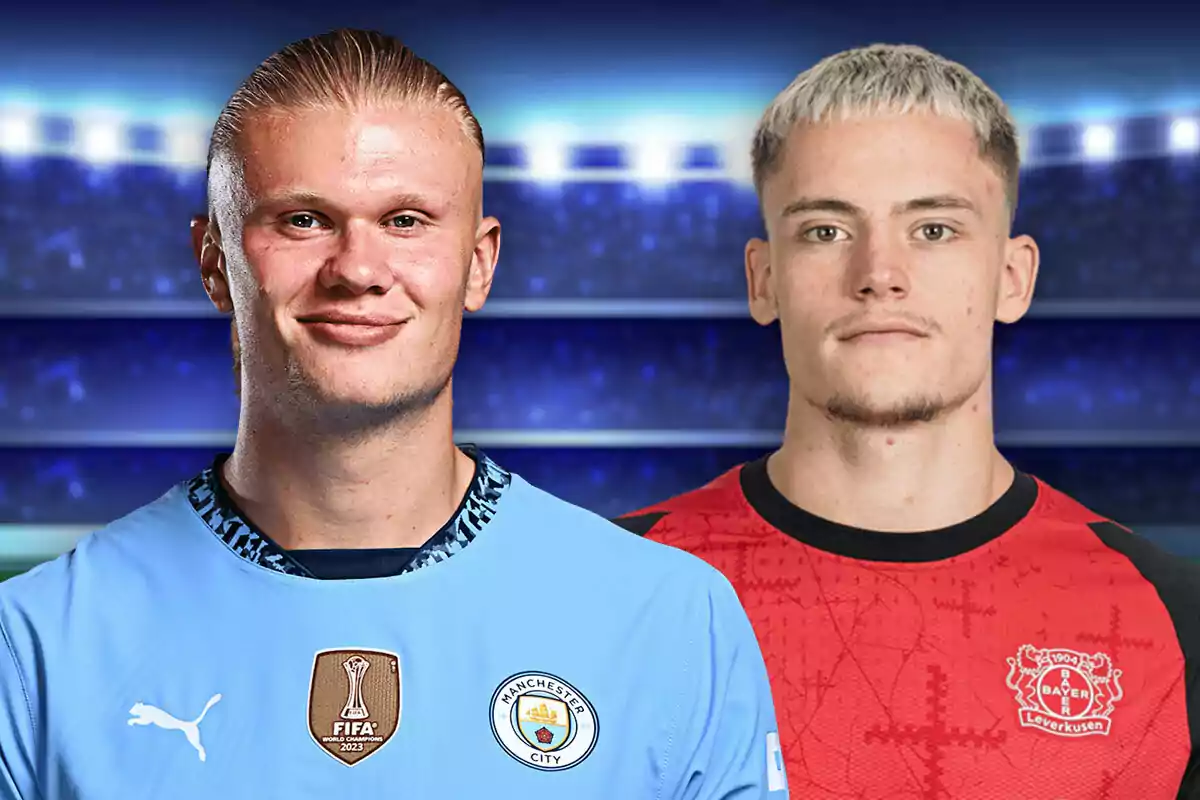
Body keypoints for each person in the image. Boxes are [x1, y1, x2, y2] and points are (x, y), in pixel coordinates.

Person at [0, 29, 787, 799]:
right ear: (216, 264)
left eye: (405, 220)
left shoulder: (672, 620)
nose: (358, 270)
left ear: (478, 264)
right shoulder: (34, 648)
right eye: (303, 220)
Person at [617, 44, 1199, 798]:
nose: (878, 274)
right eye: (826, 230)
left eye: (934, 229)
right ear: (763, 280)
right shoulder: (613, 588)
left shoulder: (1173, 619)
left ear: (1013, 277)